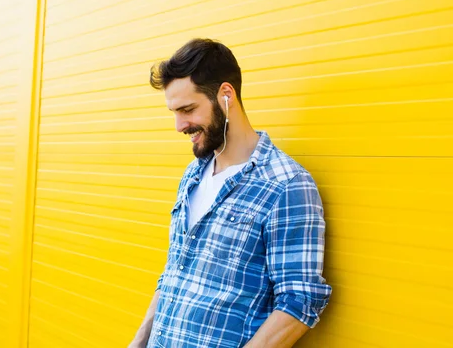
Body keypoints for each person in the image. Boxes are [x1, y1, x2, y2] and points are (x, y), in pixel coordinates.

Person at [128, 39, 332, 348]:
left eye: (187, 110)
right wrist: (138, 341)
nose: (179, 125)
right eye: (174, 112)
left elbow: (299, 301)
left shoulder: (286, 185)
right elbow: (174, 274)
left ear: (226, 95)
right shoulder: (193, 176)